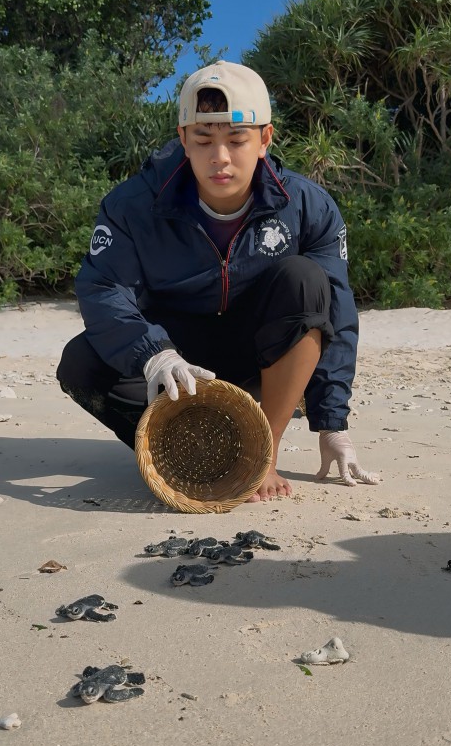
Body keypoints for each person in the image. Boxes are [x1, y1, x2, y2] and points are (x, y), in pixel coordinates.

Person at [57, 60, 379, 501]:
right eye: (204, 140)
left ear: (265, 139)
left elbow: (337, 312)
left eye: (236, 139)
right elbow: (103, 288)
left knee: (306, 279)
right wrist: (154, 355)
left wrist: (331, 422)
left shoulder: (309, 207)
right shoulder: (131, 204)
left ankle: (263, 448)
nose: (220, 158)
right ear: (183, 139)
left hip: (260, 359)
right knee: (81, 362)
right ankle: (185, 446)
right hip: (178, 365)